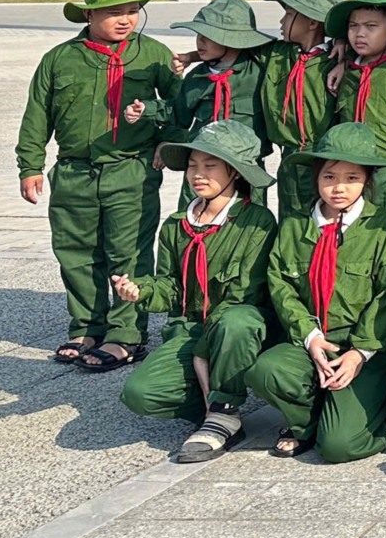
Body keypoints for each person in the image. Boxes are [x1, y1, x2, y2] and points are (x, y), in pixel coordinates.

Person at [16, 0, 172, 372]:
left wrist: (166, 141)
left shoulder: (154, 54)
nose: (126, 19)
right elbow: (37, 114)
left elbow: (180, 105)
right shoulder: (60, 59)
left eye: (132, 10)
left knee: (129, 253)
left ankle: (126, 334)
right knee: (76, 253)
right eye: (114, 12)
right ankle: (86, 326)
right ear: (89, 14)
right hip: (74, 172)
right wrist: (30, 165)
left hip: (131, 170)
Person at [115, 120, 277, 462]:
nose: (198, 175)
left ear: (235, 172)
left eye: (210, 165)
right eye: (192, 166)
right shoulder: (176, 226)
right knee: (139, 394)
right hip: (192, 329)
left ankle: (224, 412)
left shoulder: (257, 222)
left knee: (237, 321)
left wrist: (206, 353)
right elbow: (172, 286)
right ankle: (209, 397)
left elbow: (247, 298)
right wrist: (141, 290)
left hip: (240, 330)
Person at [247, 123, 386, 461]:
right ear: (316, 177)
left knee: (339, 447)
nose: (339, 188)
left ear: (368, 179)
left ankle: (351, 418)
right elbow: (281, 286)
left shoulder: (383, 227)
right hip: (312, 342)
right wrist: (310, 337)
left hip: (362, 347)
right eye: (329, 176)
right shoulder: (294, 226)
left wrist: (359, 353)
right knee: (266, 370)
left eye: (352, 178)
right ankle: (306, 422)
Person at [322, 0, 386, 253]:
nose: (360, 34)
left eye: (371, 26)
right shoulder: (348, 68)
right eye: (353, 26)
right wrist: (341, 49)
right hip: (350, 174)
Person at [253, 0, 343, 224]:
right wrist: (191, 56)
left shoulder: (337, 59)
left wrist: (342, 44)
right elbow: (233, 45)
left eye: (289, 15)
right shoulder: (276, 53)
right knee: (291, 223)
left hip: (327, 160)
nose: (281, 22)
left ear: (313, 22)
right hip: (289, 159)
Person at [159, 0, 273, 143]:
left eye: (208, 35)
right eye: (198, 34)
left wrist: (193, 56)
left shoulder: (258, 71)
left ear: (231, 40)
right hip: (205, 153)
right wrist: (144, 108)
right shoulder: (196, 77)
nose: (200, 40)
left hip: (247, 155)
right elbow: (179, 115)